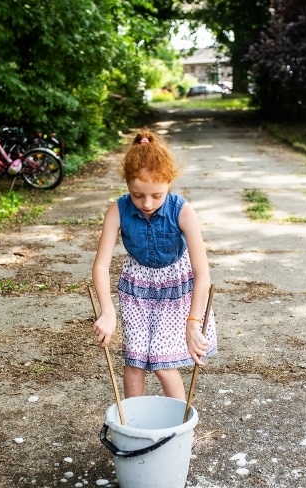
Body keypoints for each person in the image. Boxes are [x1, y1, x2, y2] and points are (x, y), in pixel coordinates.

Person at [92, 128, 217, 402]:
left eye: (156, 195)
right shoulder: (118, 210)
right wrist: (108, 311)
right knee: (134, 360)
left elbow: (202, 274)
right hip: (137, 287)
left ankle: (181, 431)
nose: (146, 203)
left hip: (176, 288)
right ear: (127, 185)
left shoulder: (182, 211)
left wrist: (193, 323)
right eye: (138, 195)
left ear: (169, 183)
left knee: (162, 362)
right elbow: (101, 266)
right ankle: (134, 428)